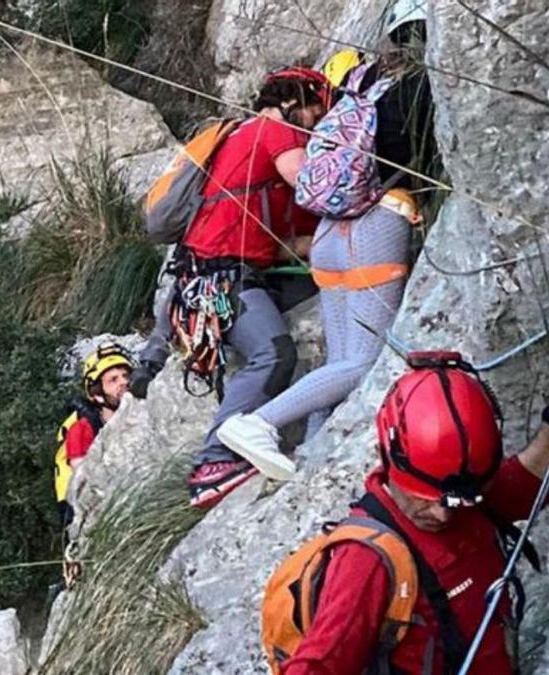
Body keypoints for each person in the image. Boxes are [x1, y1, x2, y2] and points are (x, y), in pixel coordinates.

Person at [216, 0, 438, 476]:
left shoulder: (364, 84)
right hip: (375, 226)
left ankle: (315, 455)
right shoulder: (424, 87)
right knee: (362, 362)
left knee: (337, 364)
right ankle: (257, 424)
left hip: (329, 238)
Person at [130, 67, 332, 508]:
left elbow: (274, 242)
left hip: (207, 275)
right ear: (296, 100)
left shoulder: (242, 139)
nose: (319, 121)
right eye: (317, 108)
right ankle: (215, 459)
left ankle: (158, 363)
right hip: (221, 277)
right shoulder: (275, 130)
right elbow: (315, 186)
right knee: (274, 352)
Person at [276, 354, 549, 674]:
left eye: (455, 503)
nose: (443, 514)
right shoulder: (366, 561)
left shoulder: (464, 495)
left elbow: (522, 489)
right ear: (386, 457)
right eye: (425, 498)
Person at [54, 342, 133, 526]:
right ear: (97, 394)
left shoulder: (135, 415)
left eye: (125, 376)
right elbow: (84, 477)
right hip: (82, 513)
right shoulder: (82, 429)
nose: (124, 382)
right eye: (113, 380)